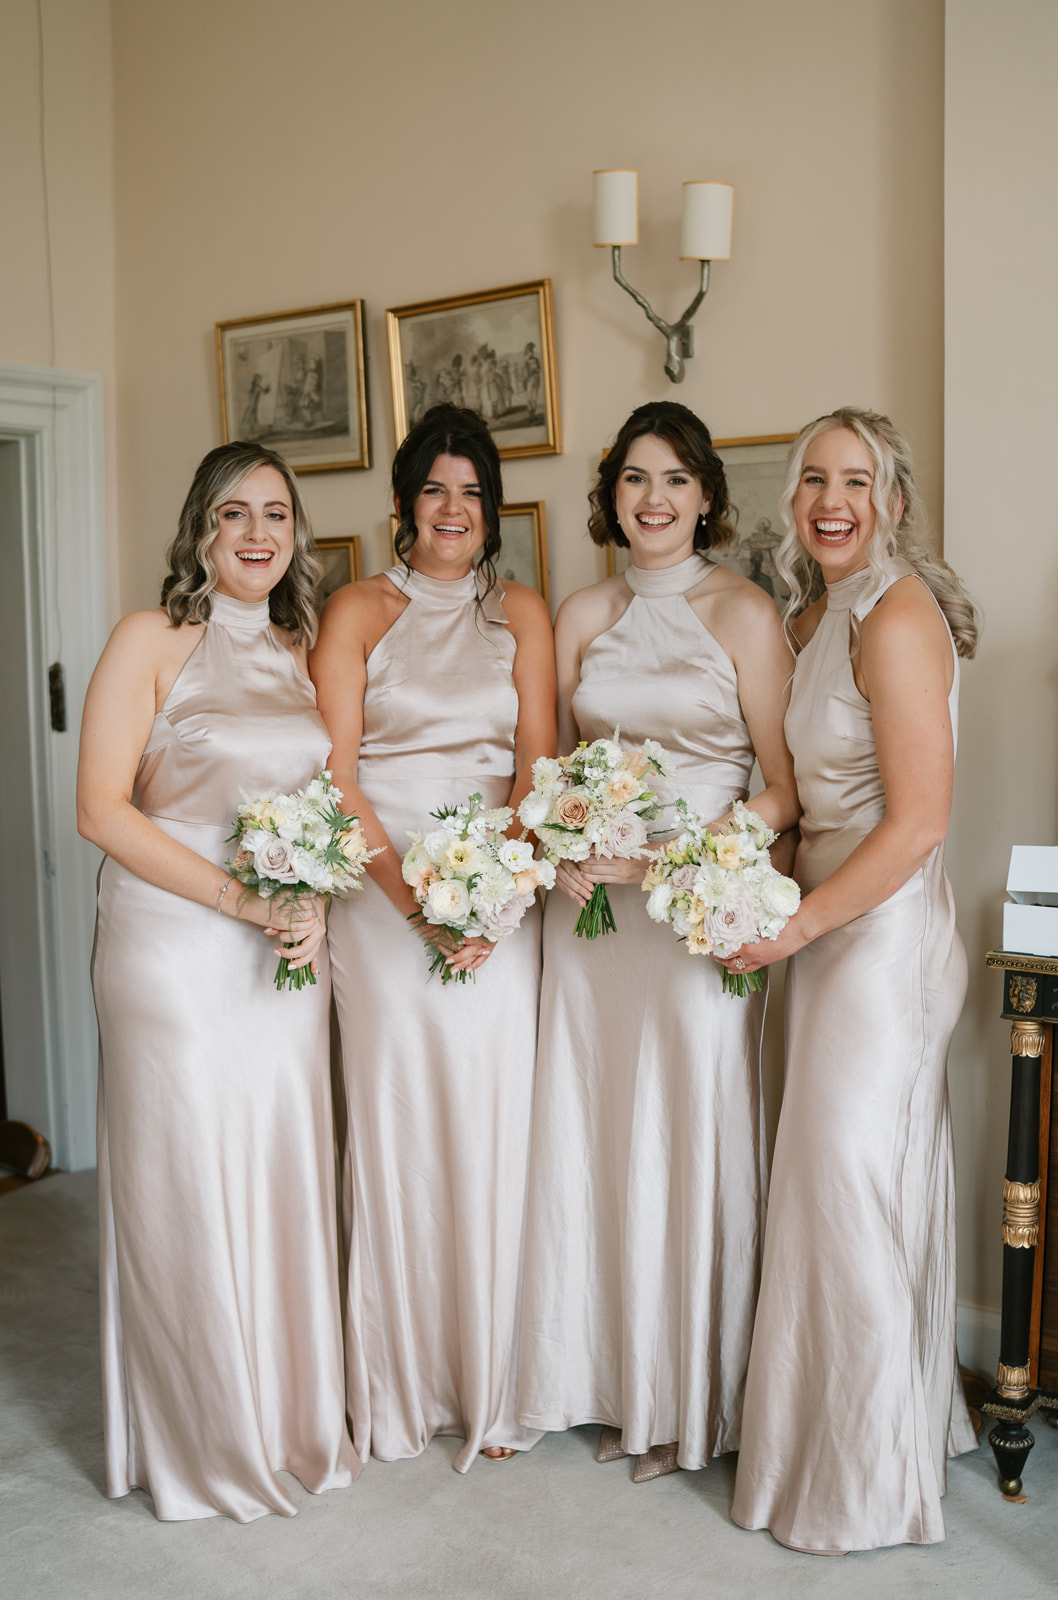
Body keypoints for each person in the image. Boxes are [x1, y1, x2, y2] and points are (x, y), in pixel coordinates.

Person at [516, 401, 799, 1480]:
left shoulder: (743, 614)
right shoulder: (582, 609)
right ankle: (607, 1380)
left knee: (687, 1134)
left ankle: (691, 1400)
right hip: (592, 925)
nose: (653, 499)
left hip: (691, 920)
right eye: (635, 478)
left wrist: (673, 861)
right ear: (612, 493)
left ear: (706, 496)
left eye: (674, 479)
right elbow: (548, 772)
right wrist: (565, 840)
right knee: (596, 1135)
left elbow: (779, 791)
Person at [78, 442, 359, 1521]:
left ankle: (283, 1414)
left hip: (278, 948)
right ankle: (196, 1433)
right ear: (201, 526)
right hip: (169, 944)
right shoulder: (150, 639)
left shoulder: (298, 650)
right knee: (184, 1174)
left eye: (276, 514)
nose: (257, 532)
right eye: (235, 512)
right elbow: (103, 810)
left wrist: (312, 899)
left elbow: (323, 806)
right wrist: (241, 901)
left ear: (295, 534)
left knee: (278, 1163)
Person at [725, 407, 980, 1553]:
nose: (833, 499)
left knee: (847, 1183)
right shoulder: (812, 613)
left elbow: (917, 822)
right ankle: (864, 1430)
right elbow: (809, 798)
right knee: (832, 1190)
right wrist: (735, 871)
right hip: (816, 923)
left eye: (857, 481)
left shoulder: (896, 614)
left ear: (894, 501)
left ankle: (867, 1485)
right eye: (814, 480)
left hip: (877, 942)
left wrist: (794, 924)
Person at [309, 403, 556, 1470]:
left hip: (499, 905)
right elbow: (336, 776)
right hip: (382, 899)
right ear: (405, 502)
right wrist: (414, 903)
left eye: (471, 491)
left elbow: (537, 771)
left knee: (495, 1128)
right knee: (397, 1127)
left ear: (489, 509)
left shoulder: (524, 612)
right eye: (433, 489)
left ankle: (489, 1381)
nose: (452, 509)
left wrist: (493, 903)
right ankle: (399, 1383)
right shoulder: (356, 608)